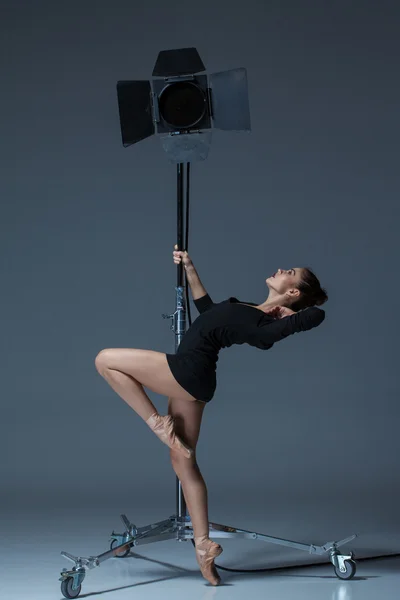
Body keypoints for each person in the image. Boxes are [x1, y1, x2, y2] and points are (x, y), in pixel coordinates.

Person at [95, 245, 328, 586]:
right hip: (195, 383)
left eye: (289, 272)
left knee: (105, 359)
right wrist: (189, 267)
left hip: (187, 371)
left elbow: (315, 316)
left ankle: (157, 423)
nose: (281, 269)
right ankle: (204, 547)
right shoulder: (249, 309)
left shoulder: (265, 323)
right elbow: (206, 310)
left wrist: (288, 316)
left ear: (292, 291)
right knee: (183, 463)